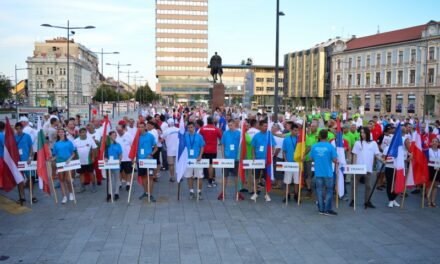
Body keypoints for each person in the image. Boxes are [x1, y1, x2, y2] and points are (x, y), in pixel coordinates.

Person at [351, 127, 382, 209]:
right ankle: (353, 200)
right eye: (361, 133)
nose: (362, 134)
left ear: (367, 133)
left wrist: (382, 160)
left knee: (368, 186)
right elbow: (354, 155)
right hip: (358, 167)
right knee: (355, 185)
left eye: (364, 133)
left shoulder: (374, 143)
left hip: (368, 168)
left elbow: (377, 154)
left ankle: (367, 201)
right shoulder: (358, 143)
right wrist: (353, 167)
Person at [310, 129, 338, 216]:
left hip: (318, 172)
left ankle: (321, 209)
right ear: (327, 136)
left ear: (319, 136)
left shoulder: (314, 146)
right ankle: (327, 209)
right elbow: (334, 160)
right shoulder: (330, 147)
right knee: (329, 191)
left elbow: (311, 158)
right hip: (328, 172)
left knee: (319, 190)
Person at [250, 120, 276, 202]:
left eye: (266, 126)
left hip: (267, 161)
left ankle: (267, 194)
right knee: (256, 177)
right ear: (260, 126)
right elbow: (253, 147)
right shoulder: (256, 135)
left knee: (267, 178)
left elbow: (273, 146)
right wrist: (253, 156)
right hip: (258, 160)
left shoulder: (269, 135)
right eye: (264, 126)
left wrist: (271, 155)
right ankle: (255, 193)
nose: (266, 127)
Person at [219, 119, 242, 200]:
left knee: (236, 177)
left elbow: (241, 145)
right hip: (227, 159)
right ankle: (223, 192)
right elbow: (222, 144)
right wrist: (223, 156)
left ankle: (237, 192)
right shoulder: (225, 133)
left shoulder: (239, 134)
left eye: (231, 125)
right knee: (225, 176)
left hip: (236, 158)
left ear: (235, 125)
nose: (229, 127)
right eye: (228, 125)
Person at [52, 128, 76, 204]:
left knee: (69, 180)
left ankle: (71, 193)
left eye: (62, 132)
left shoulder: (69, 142)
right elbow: (55, 155)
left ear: (65, 133)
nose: (61, 133)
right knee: (61, 180)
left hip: (68, 163)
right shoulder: (56, 144)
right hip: (60, 163)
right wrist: (51, 159)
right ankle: (64, 196)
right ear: (58, 134)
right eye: (59, 132)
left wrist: (69, 159)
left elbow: (73, 153)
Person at [137, 122, 158, 201]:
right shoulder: (137, 137)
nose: (141, 128)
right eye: (139, 127)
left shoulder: (150, 136)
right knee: (143, 177)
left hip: (149, 161)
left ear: (145, 127)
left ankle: (150, 194)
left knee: (150, 177)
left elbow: (156, 148)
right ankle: (146, 192)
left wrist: (151, 154)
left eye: (142, 127)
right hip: (141, 161)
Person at [184, 122, 205, 200]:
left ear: (194, 127)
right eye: (188, 127)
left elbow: (202, 147)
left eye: (191, 127)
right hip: (188, 159)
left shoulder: (199, 136)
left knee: (199, 176)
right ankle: (191, 191)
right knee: (189, 176)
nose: (190, 129)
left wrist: (200, 156)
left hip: (197, 159)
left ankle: (199, 192)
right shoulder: (185, 136)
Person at [199, 116, 222, 188]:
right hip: (212, 150)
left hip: (204, 149)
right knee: (211, 165)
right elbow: (221, 138)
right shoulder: (216, 129)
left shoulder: (202, 129)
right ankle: (210, 181)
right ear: (213, 121)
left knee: (204, 164)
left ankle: (203, 177)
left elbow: (199, 138)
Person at [15, 122, 35, 204]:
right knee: (20, 180)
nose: (19, 130)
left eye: (20, 128)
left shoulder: (27, 136)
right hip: (17, 162)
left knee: (30, 178)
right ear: (15, 129)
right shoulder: (13, 137)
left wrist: (30, 157)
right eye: (17, 129)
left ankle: (32, 195)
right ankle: (22, 196)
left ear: (22, 128)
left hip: (27, 161)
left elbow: (31, 148)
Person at [74, 128, 98, 193]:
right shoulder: (76, 141)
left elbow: (94, 149)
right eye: (81, 132)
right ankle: (82, 187)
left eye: (84, 132)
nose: (83, 133)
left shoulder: (90, 140)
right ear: (79, 133)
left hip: (89, 161)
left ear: (86, 132)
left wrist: (93, 157)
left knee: (91, 173)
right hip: (80, 161)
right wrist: (75, 159)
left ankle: (93, 186)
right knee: (81, 174)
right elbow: (73, 151)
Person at [282, 123, 299, 202]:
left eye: (297, 131)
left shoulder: (299, 139)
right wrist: (285, 160)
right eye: (295, 130)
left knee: (296, 181)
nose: (297, 132)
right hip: (289, 162)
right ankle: (287, 195)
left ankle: (296, 195)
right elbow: (284, 151)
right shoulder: (286, 139)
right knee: (287, 180)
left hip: (297, 163)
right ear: (291, 130)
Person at [116, 124, 134, 191]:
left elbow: (133, 146)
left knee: (128, 172)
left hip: (127, 157)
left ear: (123, 129)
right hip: (118, 158)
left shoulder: (128, 135)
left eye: (120, 130)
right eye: (117, 131)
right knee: (119, 172)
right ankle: (119, 183)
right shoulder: (116, 136)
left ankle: (128, 184)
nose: (119, 132)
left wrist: (133, 157)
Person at [105, 131, 122, 201]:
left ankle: (116, 193)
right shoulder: (106, 145)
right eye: (113, 135)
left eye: (115, 135)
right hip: (108, 164)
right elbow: (103, 154)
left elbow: (120, 155)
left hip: (115, 164)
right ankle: (109, 193)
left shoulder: (118, 145)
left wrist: (120, 161)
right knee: (110, 179)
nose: (114, 136)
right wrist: (104, 158)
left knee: (117, 179)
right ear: (109, 136)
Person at [427, 138, 440, 207]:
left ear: (438, 143)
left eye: (436, 141)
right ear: (431, 143)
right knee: (429, 185)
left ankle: (433, 200)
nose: (434, 142)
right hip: (430, 168)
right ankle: (428, 200)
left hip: (438, 169)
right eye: (433, 141)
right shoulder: (428, 150)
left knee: (435, 186)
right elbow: (426, 160)